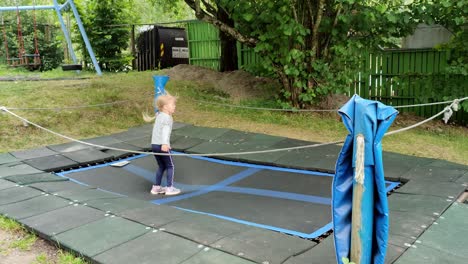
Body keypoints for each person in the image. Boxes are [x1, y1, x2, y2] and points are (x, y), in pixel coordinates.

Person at [143, 94, 181, 196]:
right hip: (162, 145)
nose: (175, 106)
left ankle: (156, 188)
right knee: (170, 166)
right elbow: (165, 130)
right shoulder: (167, 118)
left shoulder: (159, 115)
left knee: (161, 166)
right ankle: (169, 188)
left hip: (154, 145)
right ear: (165, 106)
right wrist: (165, 143)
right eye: (172, 104)